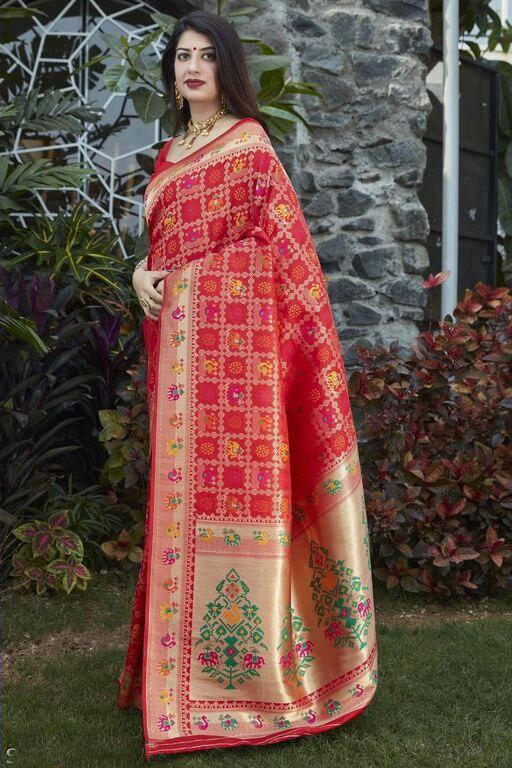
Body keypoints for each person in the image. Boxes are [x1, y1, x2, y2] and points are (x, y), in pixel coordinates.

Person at [117, 9, 378, 761]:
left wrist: (188, 283)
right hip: (181, 366)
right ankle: (176, 678)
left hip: (242, 373)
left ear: (226, 66)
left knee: (239, 503)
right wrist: (141, 275)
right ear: (171, 71)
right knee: (178, 506)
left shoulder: (250, 147)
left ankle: (243, 683)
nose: (191, 67)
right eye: (181, 56)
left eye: (205, 55)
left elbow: (279, 255)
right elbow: (160, 251)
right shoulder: (171, 154)